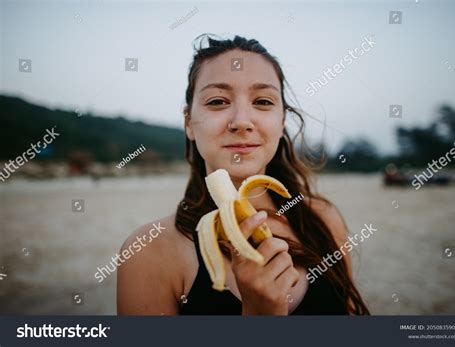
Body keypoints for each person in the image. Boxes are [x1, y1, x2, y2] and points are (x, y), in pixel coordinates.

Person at [117, 34, 369, 315]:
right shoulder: (149, 252)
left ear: (282, 120)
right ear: (189, 122)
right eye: (217, 101)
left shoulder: (323, 220)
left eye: (262, 101)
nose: (241, 121)